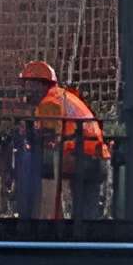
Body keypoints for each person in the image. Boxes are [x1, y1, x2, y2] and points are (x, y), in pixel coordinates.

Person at [14, 59, 112, 223]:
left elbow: (48, 138)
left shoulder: (49, 103)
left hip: (79, 157)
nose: (26, 90)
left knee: (31, 162)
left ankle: (38, 219)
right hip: (96, 158)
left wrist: (28, 135)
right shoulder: (63, 96)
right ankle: (85, 237)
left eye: (29, 85)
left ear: (41, 85)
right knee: (86, 213)